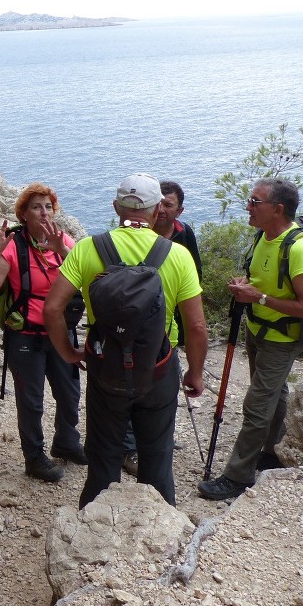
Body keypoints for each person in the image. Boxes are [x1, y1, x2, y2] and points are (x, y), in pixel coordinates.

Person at [43, 173, 208, 507]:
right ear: (157, 208)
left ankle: (92, 535)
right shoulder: (176, 255)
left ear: (116, 206)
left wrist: (69, 352)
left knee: (103, 458)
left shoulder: (89, 248)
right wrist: (194, 372)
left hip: (106, 366)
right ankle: (158, 538)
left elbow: (52, 308)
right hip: (159, 369)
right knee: (157, 459)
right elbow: (197, 326)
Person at [198, 178, 303, 501]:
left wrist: (260, 298)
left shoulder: (300, 249)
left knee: (257, 404)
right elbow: (264, 281)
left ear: (278, 209)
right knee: (274, 393)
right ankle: (273, 450)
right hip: (258, 329)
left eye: (255, 202)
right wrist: (246, 287)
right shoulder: (263, 237)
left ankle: (237, 476)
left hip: (282, 337)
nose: (248, 207)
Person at [0, 182, 84, 483]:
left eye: (48, 206)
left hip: (61, 332)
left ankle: (67, 442)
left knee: (69, 393)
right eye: (36, 207)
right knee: (31, 399)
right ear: (23, 214)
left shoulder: (66, 242)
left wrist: (62, 249)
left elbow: (87, 280)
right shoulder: (12, 246)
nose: (44, 212)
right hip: (25, 335)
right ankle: (34, 458)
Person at [122, 179, 205, 475]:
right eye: (161, 204)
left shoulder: (185, 236)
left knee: (158, 385)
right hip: (137, 325)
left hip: (170, 327)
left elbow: (194, 276)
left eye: (170, 205)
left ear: (179, 210)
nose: (164, 211)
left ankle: (153, 439)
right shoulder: (141, 234)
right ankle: (131, 448)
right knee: (135, 383)